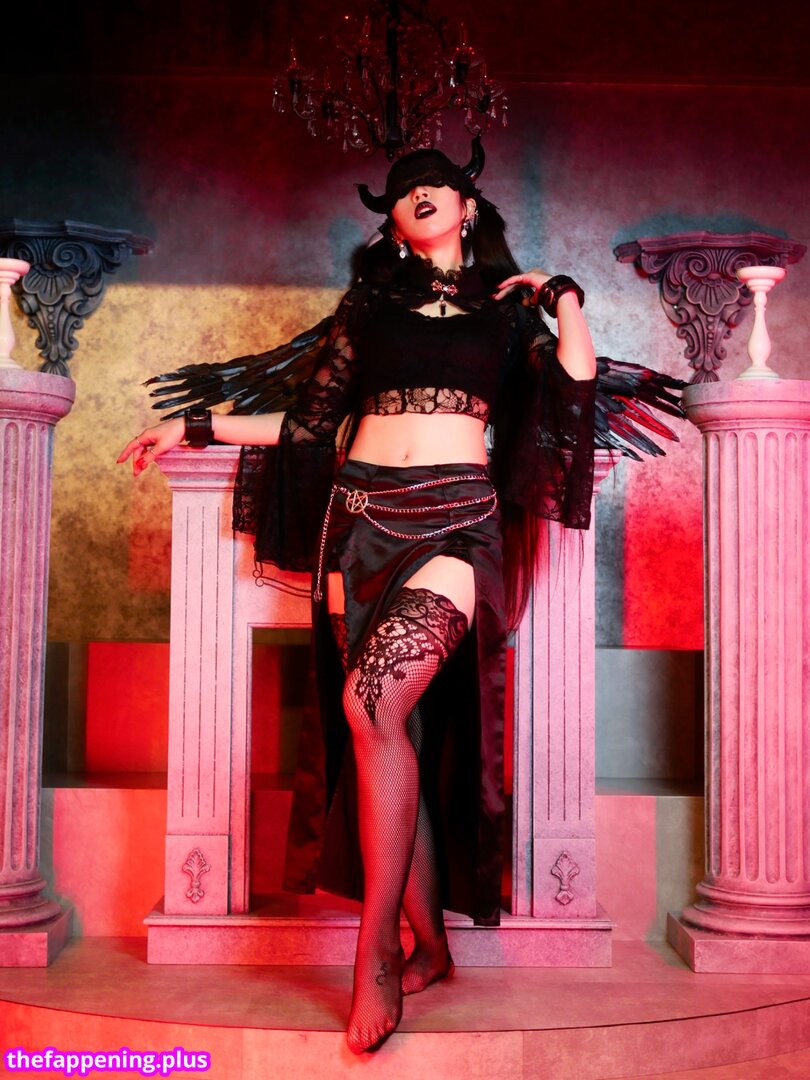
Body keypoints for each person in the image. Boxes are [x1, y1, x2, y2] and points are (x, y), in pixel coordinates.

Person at [119, 141, 679, 1054]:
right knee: (389, 732)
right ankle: (432, 946)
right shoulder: (369, 309)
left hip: (458, 524)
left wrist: (562, 292)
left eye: (436, 186)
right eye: (403, 193)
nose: (419, 196)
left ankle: (374, 950)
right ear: (390, 223)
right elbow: (312, 421)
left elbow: (576, 378)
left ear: (466, 206)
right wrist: (192, 424)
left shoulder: (509, 315)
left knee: (371, 704)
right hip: (361, 520)